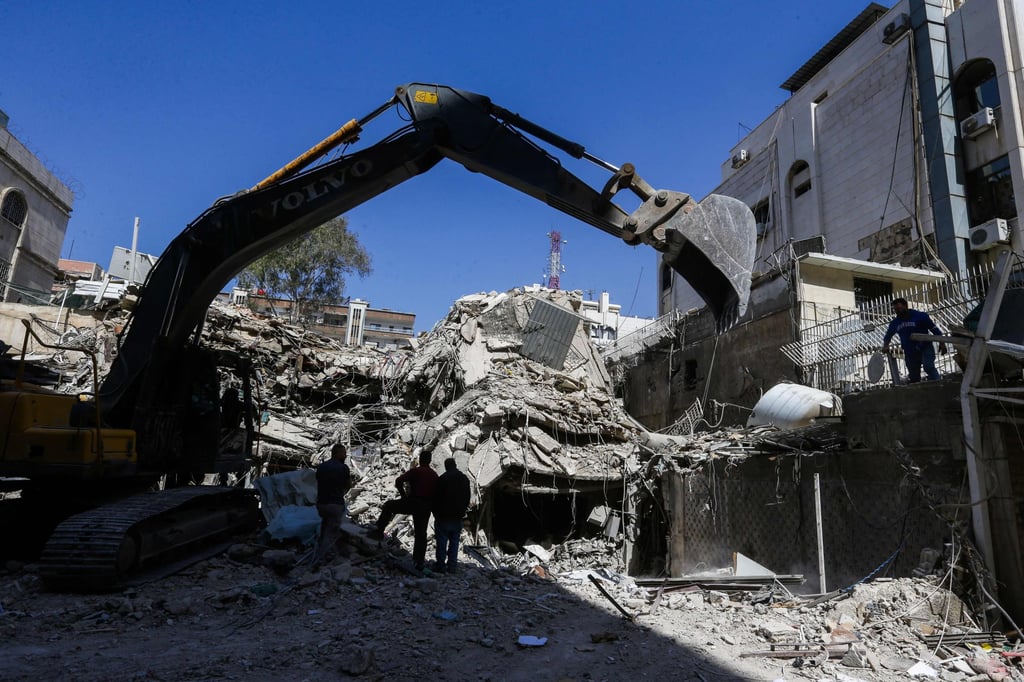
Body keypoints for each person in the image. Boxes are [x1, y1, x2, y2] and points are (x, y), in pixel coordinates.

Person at [375, 450, 438, 571]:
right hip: (426, 506)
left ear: (420, 459)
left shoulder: (416, 471)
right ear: (430, 460)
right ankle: (419, 561)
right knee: (421, 534)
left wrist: (403, 496)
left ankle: (379, 530)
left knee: (388, 505)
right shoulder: (433, 474)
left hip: (413, 502)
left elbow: (398, 481)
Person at [882, 297, 948, 383]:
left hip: (924, 347)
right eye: (895, 310)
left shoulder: (920, 316)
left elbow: (935, 330)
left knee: (928, 367)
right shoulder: (895, 323)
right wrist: (885, 345)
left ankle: (939, 384)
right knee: (914, 376)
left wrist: (942, 343)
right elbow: (888, 336)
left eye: (899, 308)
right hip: (910, 351)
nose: (898, 311)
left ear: (906, 306)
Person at [432, 458, 471, 574]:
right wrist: (463, 510)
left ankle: (441, 566)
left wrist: (436, 514)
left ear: (446, 466)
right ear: (455, 465)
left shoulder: (442, 479)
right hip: (457, 516)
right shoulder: (464, 479)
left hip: (443, 516)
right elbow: (467, 497)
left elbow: (435, 499)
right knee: (454, 542)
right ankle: (452, 566)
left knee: (442, 542)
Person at [314, 443, 351, 566]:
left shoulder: (321, 467)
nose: (345, 455)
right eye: (344, 452)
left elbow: (318, 482)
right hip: (335, 504)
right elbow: (348, 486)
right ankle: (320, 559)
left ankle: (322, 551)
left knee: (325, 527)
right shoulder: (343, 468)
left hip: (321, 504)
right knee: (331, 532)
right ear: (338, 453)